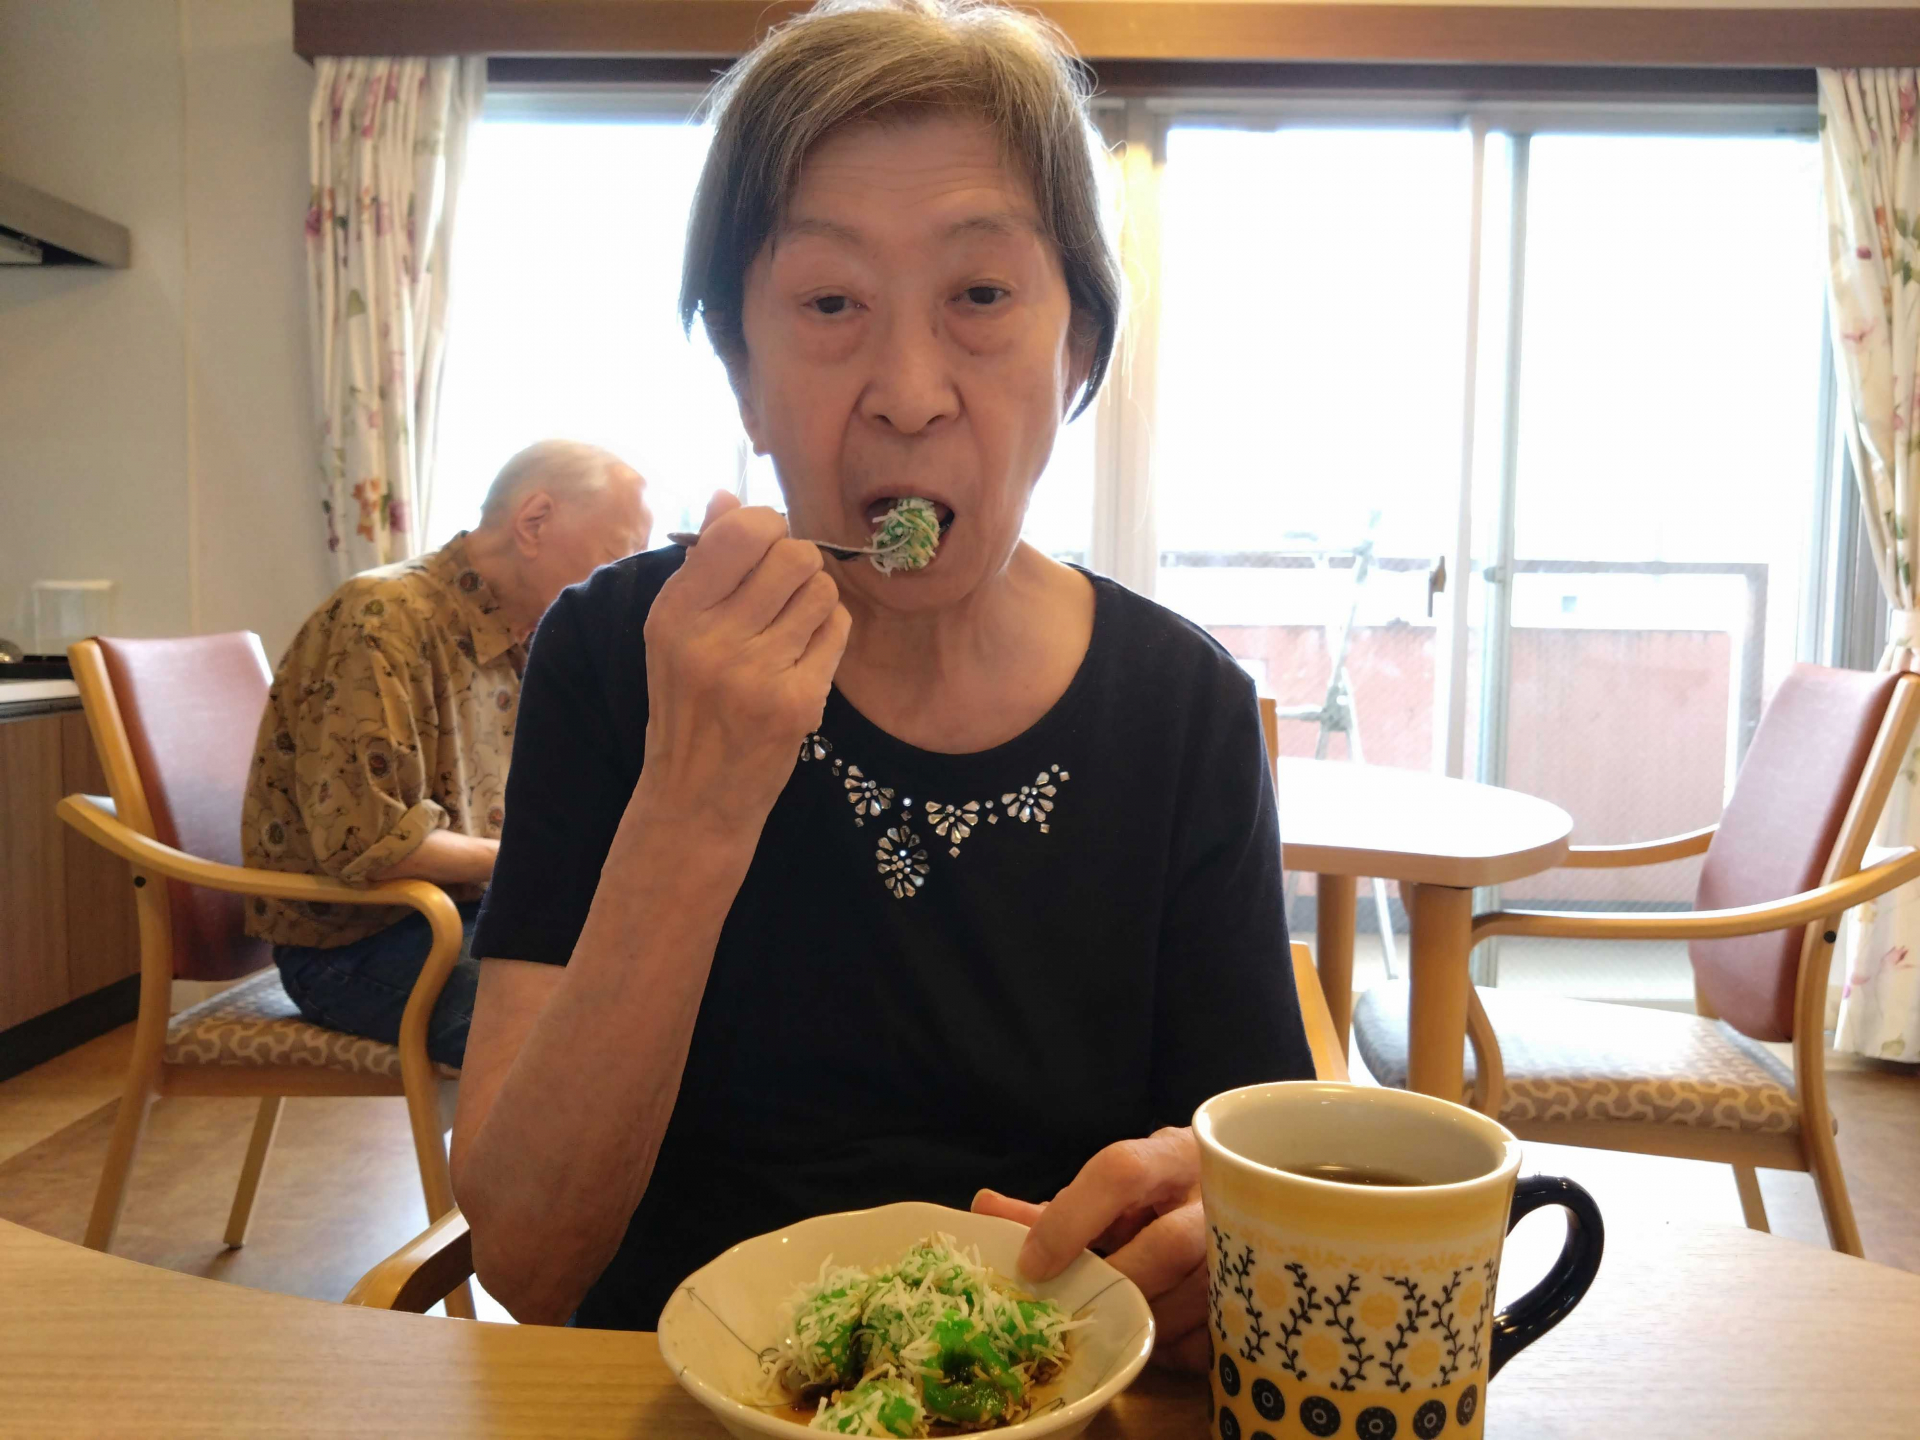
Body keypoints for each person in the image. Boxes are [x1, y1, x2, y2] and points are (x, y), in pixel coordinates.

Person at [451, 0, 1313, 1365]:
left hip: (1053, 1392)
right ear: (741, 371)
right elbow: (529, 1261)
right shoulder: (617, 652)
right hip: (671, 1393)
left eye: (981, 296)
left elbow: (1256, 1189)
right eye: (830, 304)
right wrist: (696, 799)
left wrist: (1215, 1238)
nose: (909, 392)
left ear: (1077, 353)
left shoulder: (1183, 707)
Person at [241, 440, 652, 1067]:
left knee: (669, 978)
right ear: (534, 522)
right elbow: (372, 844)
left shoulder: (529, 636)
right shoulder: (379, 619)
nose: (624, 582)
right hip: (358, 945)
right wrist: (542, 861)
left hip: (463, 916)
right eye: (618, 554)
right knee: (607, 1034)